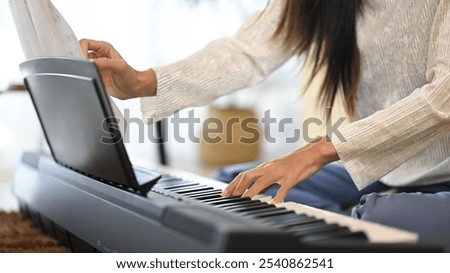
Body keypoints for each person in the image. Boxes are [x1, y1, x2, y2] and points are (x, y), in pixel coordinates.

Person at [80, 0, 450, 247]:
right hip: (390, 168)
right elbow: (247, 52)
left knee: (375, 219)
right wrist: (144, 81)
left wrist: (319, 151)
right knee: (238, 189)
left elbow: (443, 97)